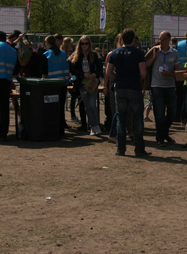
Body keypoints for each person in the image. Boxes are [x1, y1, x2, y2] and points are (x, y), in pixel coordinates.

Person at [104, 28, 149, 157]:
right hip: (134, 87)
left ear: (122, 39)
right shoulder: (138, 53)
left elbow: (108, 72)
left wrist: (117, 77)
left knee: (120, 118)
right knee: (137, 118)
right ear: (133, 39)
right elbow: (143, 73)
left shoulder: (114, 53)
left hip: (120, 87)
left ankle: (121, 149)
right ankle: (139, 149)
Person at [145, 31, 180, 147]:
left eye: (163, 39)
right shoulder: (154, 50)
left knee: (171, 112)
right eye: (159, 39)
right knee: (159, 113)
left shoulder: (174, 53)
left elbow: (177, 70)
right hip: (157, 86)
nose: (161, 41)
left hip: (170, 86)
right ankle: (160, 137)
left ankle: (164, 133)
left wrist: (170, 73)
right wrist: (154, 57)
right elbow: (146, 64)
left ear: (169, 39)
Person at [69, 35, 103, 136]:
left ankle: (96, 125)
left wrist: (95, 74)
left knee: (93, 105)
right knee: (87, 106)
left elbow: (100, 68)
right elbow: (72, 69)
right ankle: (93, 126)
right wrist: (82, 74)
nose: (84, 45)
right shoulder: (75, 56)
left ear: (89, 44)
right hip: (81, 83)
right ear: (80, 44)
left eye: (86, 43)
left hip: (92, 83)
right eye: (82, 43)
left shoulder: (93, 55)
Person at [43, 34, 70, 137]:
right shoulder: (63, 54)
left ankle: (51, 129)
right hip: (62, 84)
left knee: (51, 108)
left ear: (48, 43)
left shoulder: (46, 55)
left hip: (51, 85)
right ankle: (60, 129)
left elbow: (44, 72)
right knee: (60, 107)